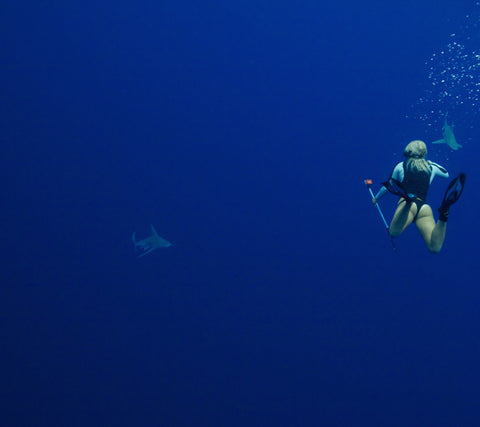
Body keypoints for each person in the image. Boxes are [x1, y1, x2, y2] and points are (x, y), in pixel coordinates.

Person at [372, 140, 466, 253]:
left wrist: (376, 198)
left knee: (393, 232)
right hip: (424, 208)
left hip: (408, 205)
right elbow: (446, 174)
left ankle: (408, 201)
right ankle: (444, 213)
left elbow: (387, 186)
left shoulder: (400, 166)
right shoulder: (431, 167)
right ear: (424, 153)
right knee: (434, 247)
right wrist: (432, 163)